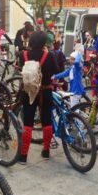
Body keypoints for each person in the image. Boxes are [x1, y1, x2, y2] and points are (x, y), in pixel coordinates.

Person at [18, 31, 59, 164]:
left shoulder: (23, 55)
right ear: (44, 43)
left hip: (29, 92)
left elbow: (20, 70)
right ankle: (46, 151)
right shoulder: (49, 55)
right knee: (46, 121)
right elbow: (56, 70)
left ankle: (23, 155)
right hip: (45, 92)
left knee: (28, 122)